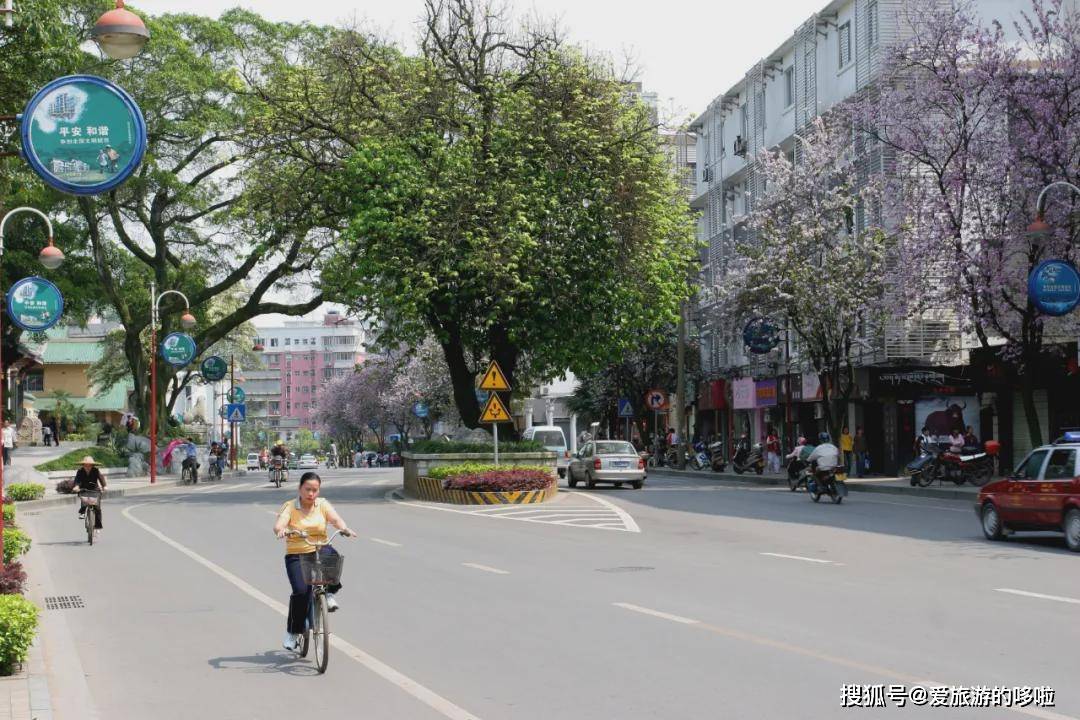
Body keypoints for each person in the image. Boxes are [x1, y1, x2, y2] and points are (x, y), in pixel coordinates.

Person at [273, 472, 356, 651]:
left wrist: (344, 528)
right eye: (307, 489)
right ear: (300, 489)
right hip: (297, 553)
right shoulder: (290, 506)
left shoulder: (323, 504)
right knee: (301, 592)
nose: (311, 493)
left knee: (332, 557)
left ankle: (328, 592)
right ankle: (293, 632)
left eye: (315, 490)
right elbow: (280, 524)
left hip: (319, 546)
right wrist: (281, 530)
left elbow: (335, 519)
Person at [74, 455, 107, 530]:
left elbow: (101, 478)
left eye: (89, 465)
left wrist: (104, 486)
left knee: (97, 508)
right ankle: (82, 512)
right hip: (83, 489)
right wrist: (76, 486)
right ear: (83, 465)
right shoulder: (80, 471)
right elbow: (77, 480)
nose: (88, 467)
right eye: (86, 465)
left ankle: (98, 525)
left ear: (92, 465)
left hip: (94, 489)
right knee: (84, 501)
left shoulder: (96, 470)